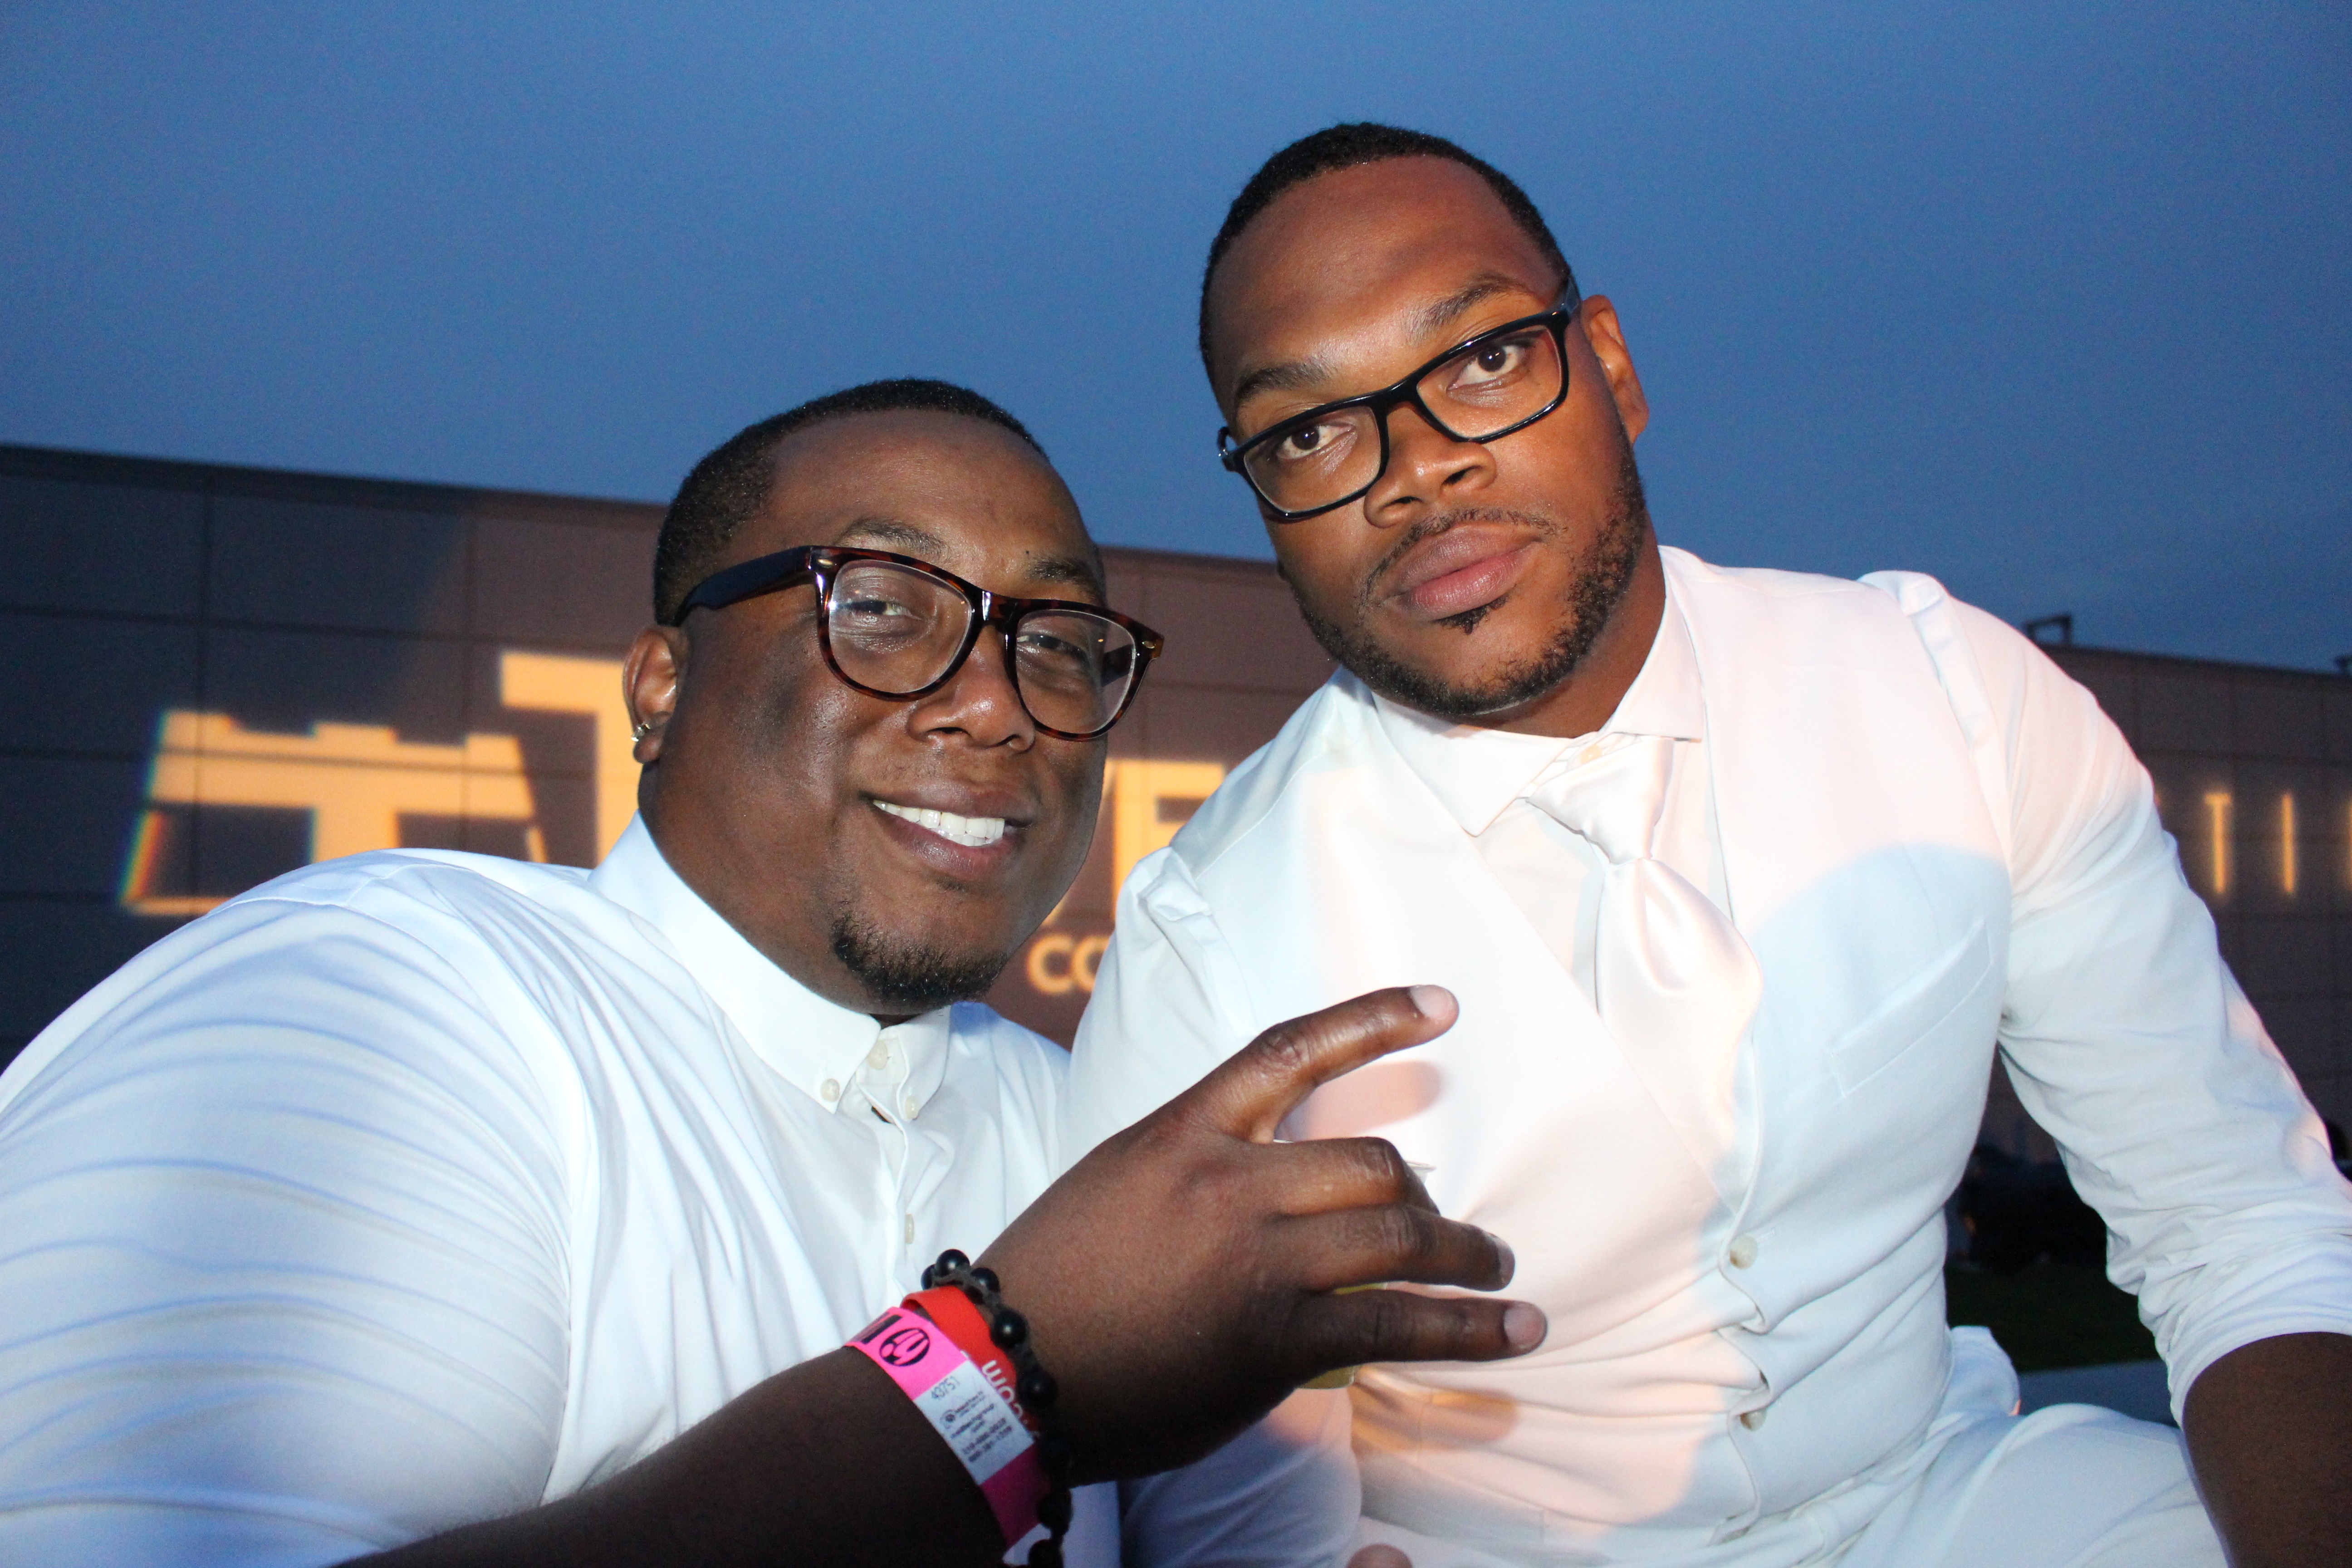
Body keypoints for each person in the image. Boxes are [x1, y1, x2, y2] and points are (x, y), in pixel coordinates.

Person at [1065, 126, 2352, 1568]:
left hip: (1955, 1500)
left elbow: (2236, 1220)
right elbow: (1225, 1499)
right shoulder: (1206, 936)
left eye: (1483, 357)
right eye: (1307, 430)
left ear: (1611, 365)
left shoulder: (1957, 703)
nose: (1415, 468)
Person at [0, 377, 1545, 1568]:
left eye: (1057, 643)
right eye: (880, 607)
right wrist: (994, 1378)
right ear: (661, 685)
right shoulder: (390, 996)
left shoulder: (1080, 1126)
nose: (995, 706)